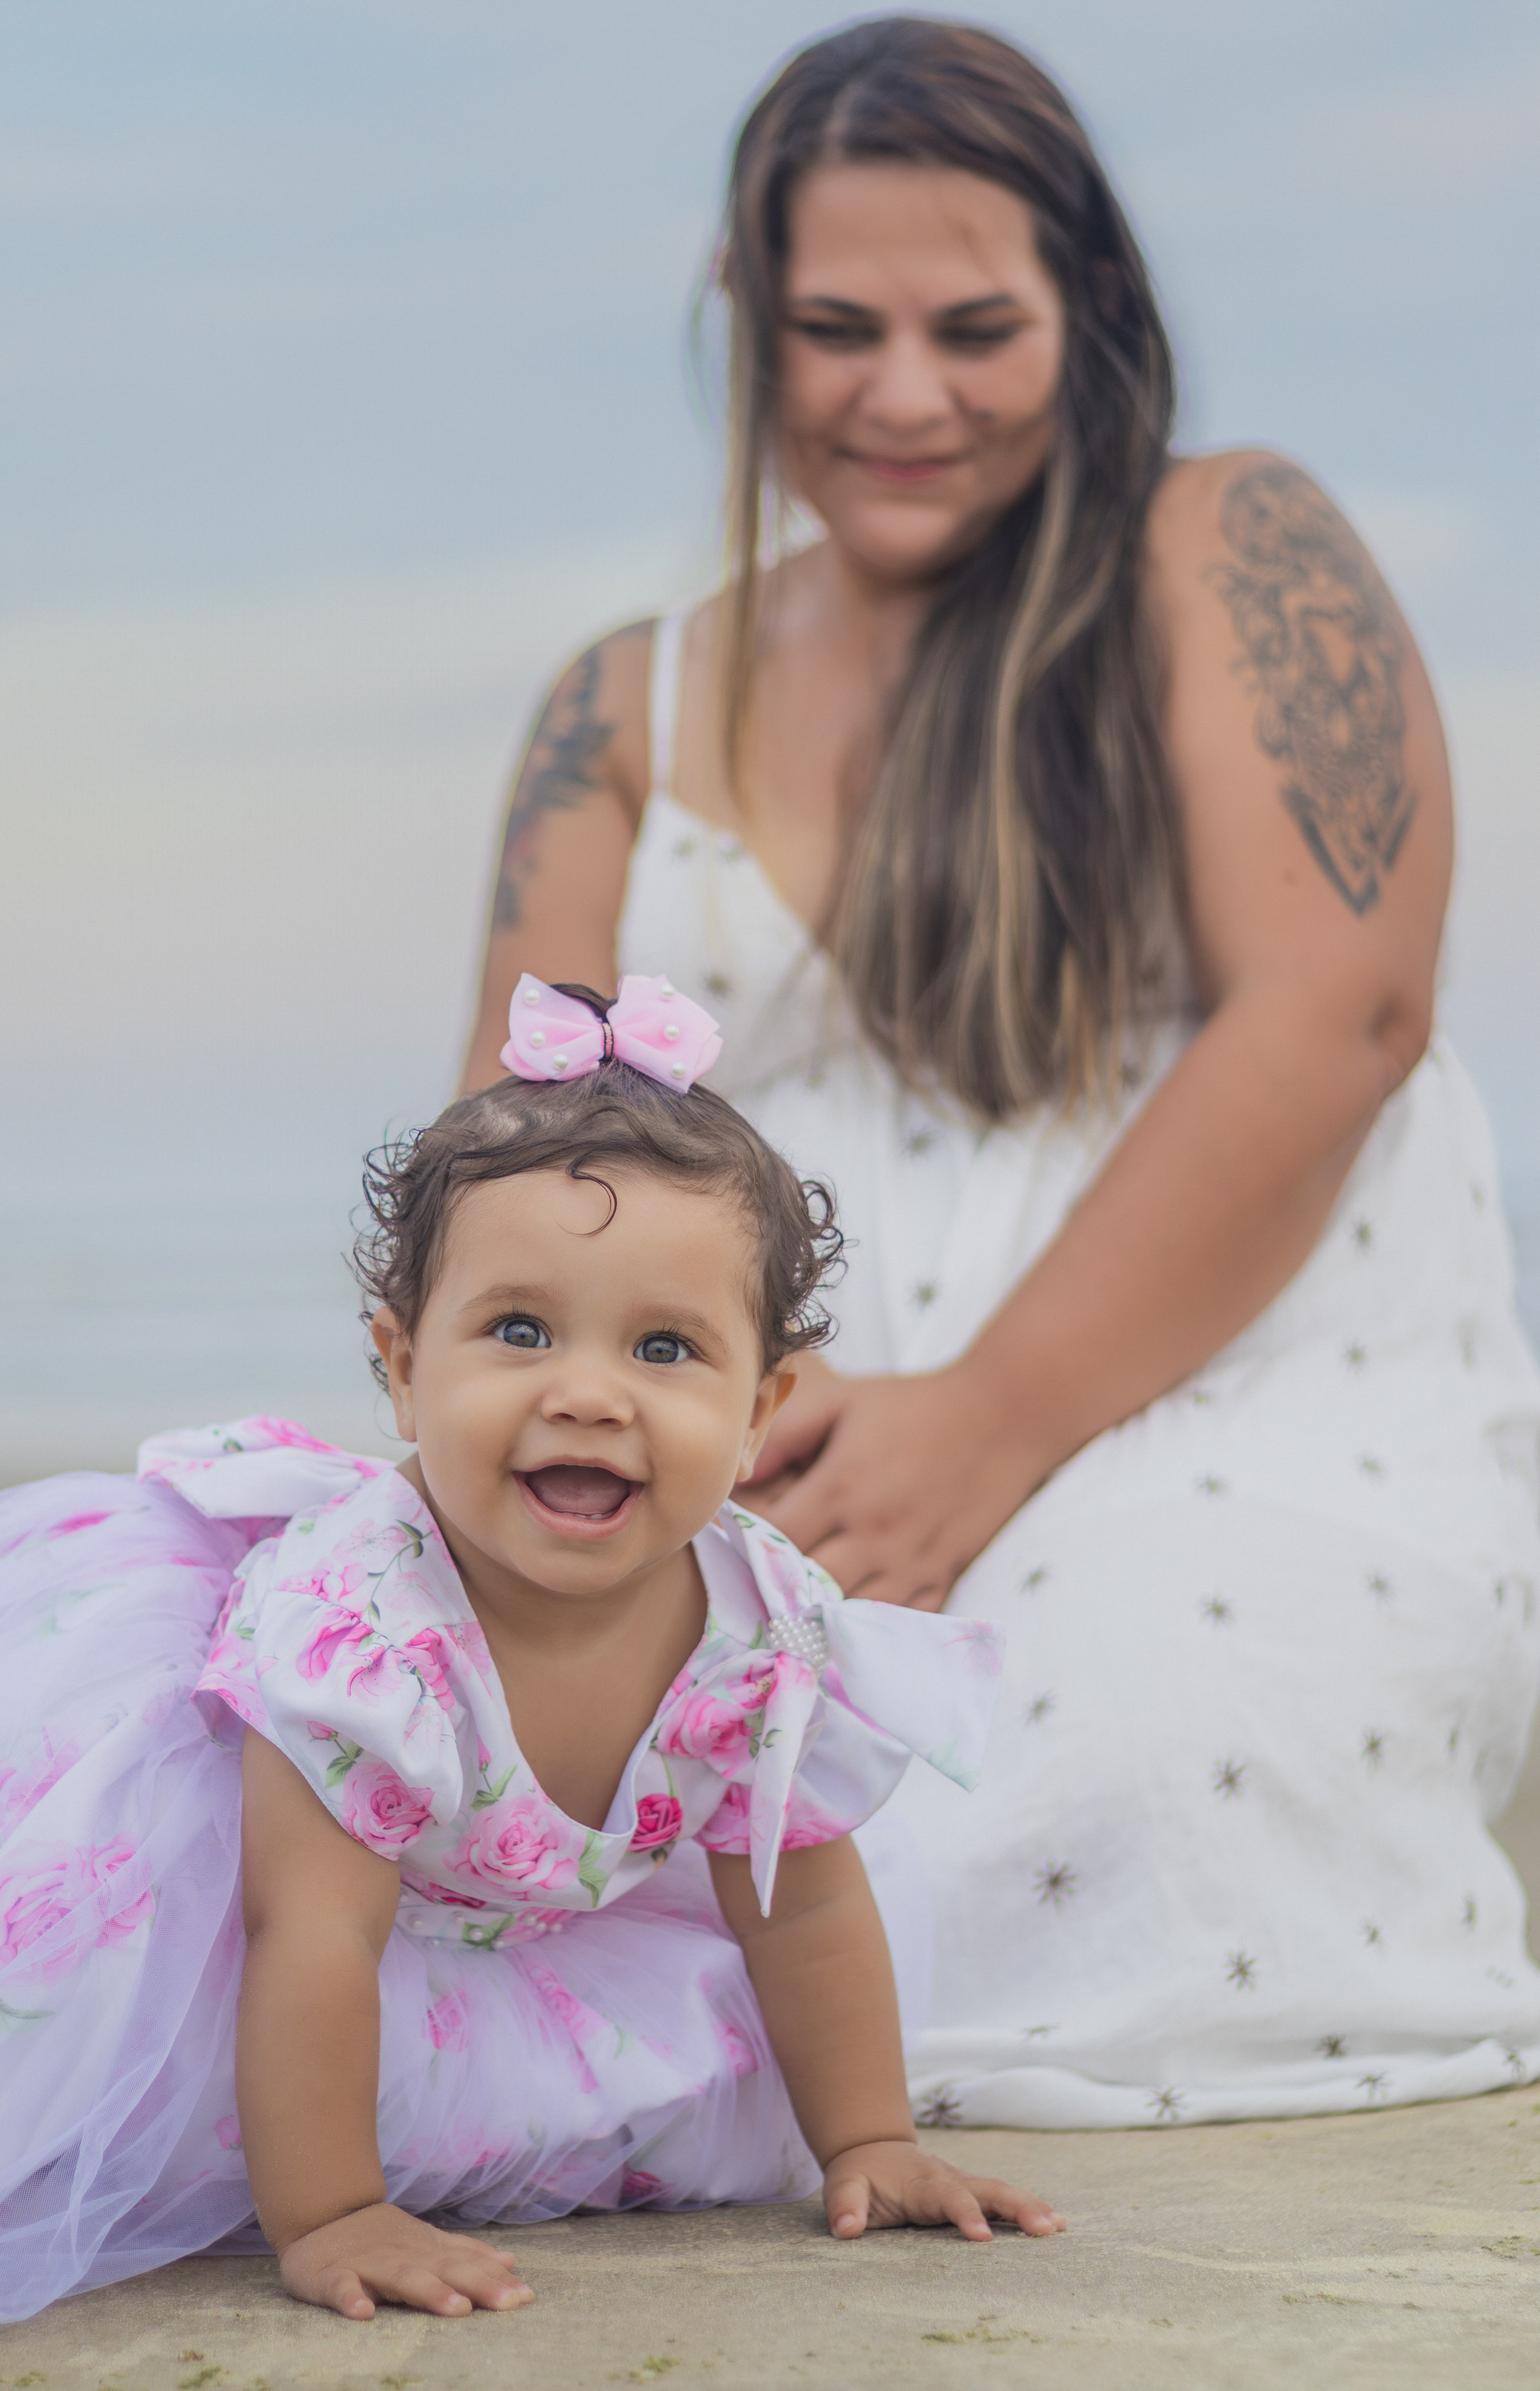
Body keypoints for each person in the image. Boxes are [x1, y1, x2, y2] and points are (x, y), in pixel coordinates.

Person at [461, 18, 1540, 2127]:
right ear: (744, 322)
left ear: (1093, 313)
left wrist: (983, 1427)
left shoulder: (1226, 553)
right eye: (835, 330)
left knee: (1116, 1731)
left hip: (1199, 1386)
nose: (905, 396)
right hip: (751, 1424)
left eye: (978, 328)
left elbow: (1347, 1015)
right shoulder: (623, 707)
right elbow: (508, 1170)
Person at [0, 977, 1064, 2336]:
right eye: (519, 1331)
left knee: (697, 2073)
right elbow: (309, 1932)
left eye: (665, 1347)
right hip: (283, 1918)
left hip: (520, 1922)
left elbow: (804, 1910)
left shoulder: (758, 1634)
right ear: (402, 1364)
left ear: (762, 1407)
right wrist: (331, 2209)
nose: (586, 1391)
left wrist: (868, 2138)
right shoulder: (363, 1637)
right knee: (158, 2056)